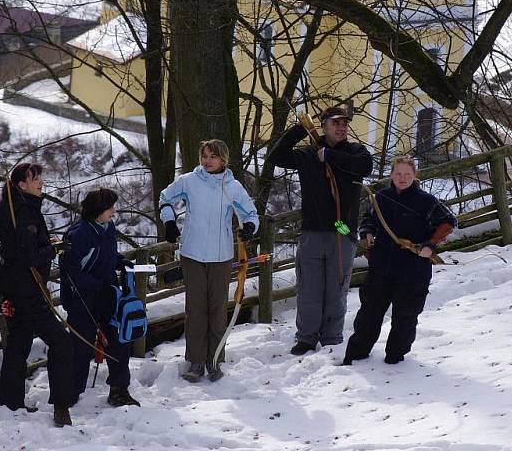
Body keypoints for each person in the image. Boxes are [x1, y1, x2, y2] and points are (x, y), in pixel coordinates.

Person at [267, 106, 373, 355]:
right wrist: (298, 130)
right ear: (324, 126)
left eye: (344, 124)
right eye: (335, 123)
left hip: (342, 229)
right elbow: (276, 157)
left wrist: (331, 156)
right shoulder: (308, 154)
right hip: (312, 230)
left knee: (336, 288)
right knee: (309, 288)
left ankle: (332, 337)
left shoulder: (355, 152)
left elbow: (364, 167)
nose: (341, 127)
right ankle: (306, 337)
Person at [159, 139, 259, 383]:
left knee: (217, 309)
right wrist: (170, 222)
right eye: (204, 156)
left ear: (223, 159)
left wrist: (248, 228)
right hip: (192, 253)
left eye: (213, 157)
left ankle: (214, 360)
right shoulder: (189, 181)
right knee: (196, 309)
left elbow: (251, 213)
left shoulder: (232, 186)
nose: (207, 161)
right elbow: (165, 198)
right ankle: (195, 361)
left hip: (221, 255)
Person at [343, 156, 457, 366]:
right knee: (369, 313)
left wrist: (430, 245)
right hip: (381, 266)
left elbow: (449, 222)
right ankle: (356, 354)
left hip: (413, 270)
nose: (402, 178)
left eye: (407, 174)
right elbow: (369, 220)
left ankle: (395, 359)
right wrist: (367, 234)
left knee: (405, 316)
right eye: (398, 174)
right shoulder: (380, 197)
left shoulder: (426, 201)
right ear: (391, 175)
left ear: (414, 176)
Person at [0, 163, 76, 427]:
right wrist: (55, 250)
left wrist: (49, 247)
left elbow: (21, 251)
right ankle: (61, 407)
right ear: (21, 185)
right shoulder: (24, 213)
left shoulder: (20, 210)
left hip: (15, 289)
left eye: (40, 176)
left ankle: (10, 402)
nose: (40, 181)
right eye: (34, 178)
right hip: (27, 292)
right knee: (61, 342)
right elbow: (28, 257)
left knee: (18, 344)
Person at [60, 187, 140, 408]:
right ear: (98, 210)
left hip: (107, 294)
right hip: (82, 299)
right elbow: (70, 272)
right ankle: (71, 392)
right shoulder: (79, 235)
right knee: (81, 346)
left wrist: (120, 261)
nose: (114, 211)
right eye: (110, 207)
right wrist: (97, 286)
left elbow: (108, 255)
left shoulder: (108, 227)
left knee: (118, 339)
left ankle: (119, 389)